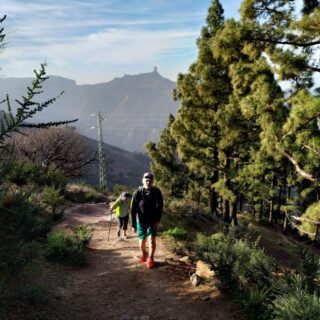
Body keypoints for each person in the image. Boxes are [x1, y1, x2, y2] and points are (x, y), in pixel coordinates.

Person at [131, 172, 163, 269]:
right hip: (140, 221)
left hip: (152, 221)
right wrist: (133, 225)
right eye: (146, 180)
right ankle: (144, 254)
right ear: (143, 180)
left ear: (153, 181)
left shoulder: (157, 191)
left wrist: (158, 220)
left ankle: (151, 258)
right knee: (142, 242)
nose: (148, 182)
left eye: (150, 180)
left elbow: (160, 206)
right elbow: (132, 209)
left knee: (152, 239)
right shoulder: (137, 192)